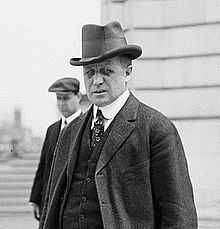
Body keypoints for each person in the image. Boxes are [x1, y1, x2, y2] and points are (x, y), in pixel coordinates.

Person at [39, 21, 197, 229]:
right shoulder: (70, 131)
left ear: (128, 73)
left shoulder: (156, 129)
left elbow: (178, 215)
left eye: (107, 71)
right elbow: (52, 203)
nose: (96, 81)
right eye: (89, 72)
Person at [29, 77, 82, 221]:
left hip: (74, 204)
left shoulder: (86, 126)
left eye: (65, 98)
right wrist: (35, 198)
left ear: (78, 97)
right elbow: (43, 166)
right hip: (50, 199)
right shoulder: (52, 130)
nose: (61, 103)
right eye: (58, 98)